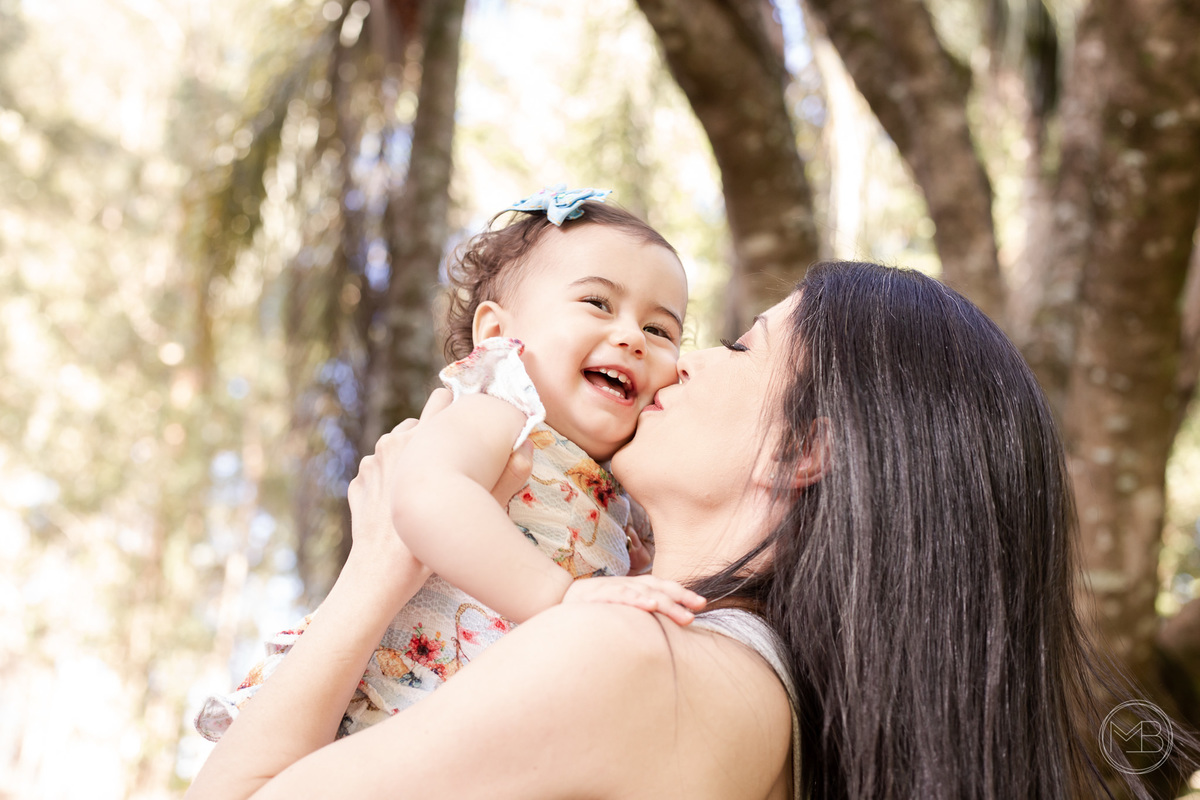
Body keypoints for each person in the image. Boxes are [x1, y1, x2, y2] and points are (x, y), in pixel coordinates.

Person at [188, 261, 1193, 799]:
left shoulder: (634, 661)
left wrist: (381, 559)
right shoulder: (766, 711)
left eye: (738, 344)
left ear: (807, 448)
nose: (682, 364)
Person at [194, 186, 701, 741]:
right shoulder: (504, 411)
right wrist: (559, 594)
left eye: (660, 330)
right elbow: (427, 494)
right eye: (597, 303)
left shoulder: (620, 490)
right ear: (498, 336)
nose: (632, 338)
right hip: (385, 699)